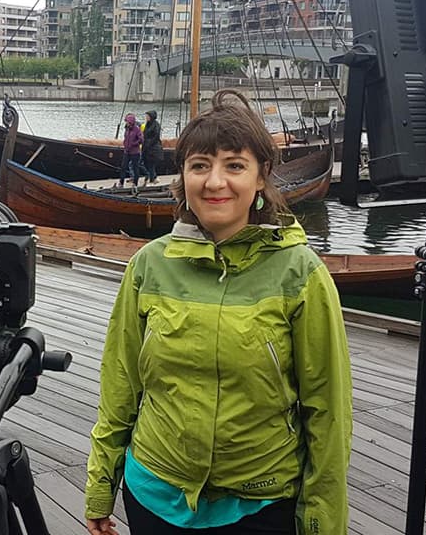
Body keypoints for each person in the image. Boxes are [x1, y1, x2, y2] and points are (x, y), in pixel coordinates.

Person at [85, 90, 352, 535]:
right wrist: (101, 484)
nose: (214, 182)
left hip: (259, 505)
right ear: (183, 175)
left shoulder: (300, 273)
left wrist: (322, 520)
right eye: (200, 165)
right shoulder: (149, 266)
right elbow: (120, 387)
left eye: (234, 165)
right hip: (154, 496)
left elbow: (328, 411)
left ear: (261, 176)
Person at [119, 113, 144, 188]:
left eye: (127, 121)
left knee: (135, 167)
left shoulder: (136, 129)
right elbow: (126, 138)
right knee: (123, 167)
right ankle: (121, 182)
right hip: (127, 151)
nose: (126, 123)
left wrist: (134, 144)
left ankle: (135, 183)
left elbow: (141, 139)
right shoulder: (127, 129)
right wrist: (125, 144)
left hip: (135, 152)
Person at [141, 110, 163, 185]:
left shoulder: (156, 125)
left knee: (151, 164)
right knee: (147, 163)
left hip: (153, 148)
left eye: (147, 116)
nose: (146, 118)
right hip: (146, 148)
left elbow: (156, 136)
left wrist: (148, 143)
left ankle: (152, 179)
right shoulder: (148, 124)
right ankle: (153, 177)